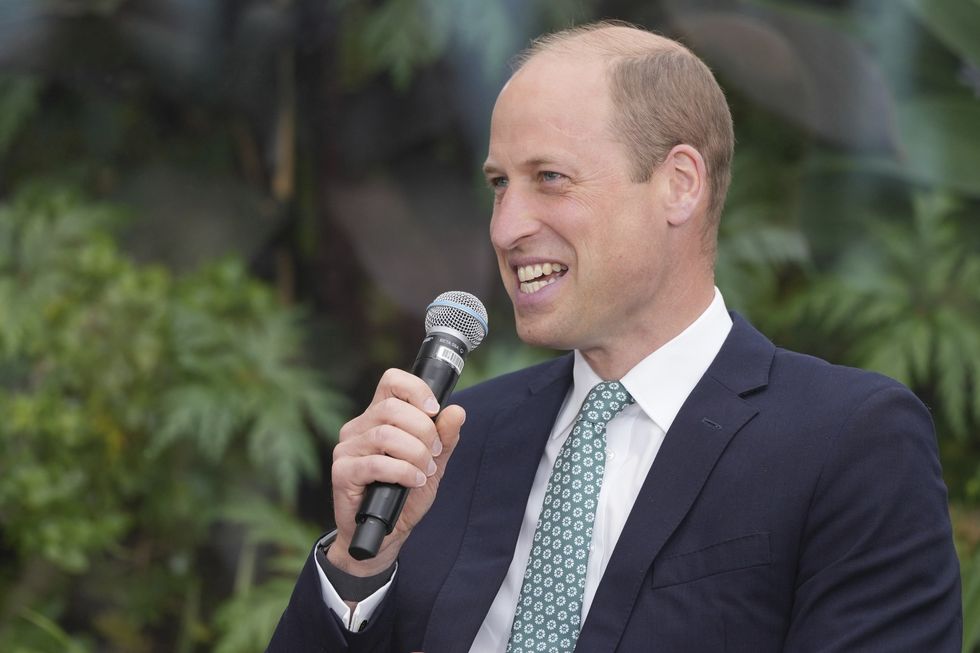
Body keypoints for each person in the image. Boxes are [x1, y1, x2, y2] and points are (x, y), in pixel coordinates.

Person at [268, 21, 961, 652]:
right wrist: (363, 564)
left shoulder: (848, 439)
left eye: (550, 179)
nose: (506, 227)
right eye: (499, 184)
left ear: (679, 185)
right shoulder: (457, 438)